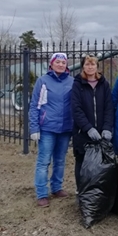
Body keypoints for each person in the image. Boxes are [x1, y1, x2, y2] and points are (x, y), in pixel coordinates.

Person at [29, 52, 74, 208]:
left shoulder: (72, 82)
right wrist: (34, 127)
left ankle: (57, 188)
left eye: (63, 62)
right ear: (52, 64)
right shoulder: (43, 81)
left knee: (60, 160)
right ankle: (42, 193)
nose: (61, 65)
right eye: (58, 62)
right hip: (47, 127)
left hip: (66, 128)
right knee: (44, 161)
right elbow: (35, 105)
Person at [71, 53, 114, 192]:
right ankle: (81, 191)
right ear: (83, 66)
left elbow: (109, 107)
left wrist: (107, 127)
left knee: (99, 164)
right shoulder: (77, 84)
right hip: (82, 133)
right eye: (87, 64)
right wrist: (88, 128)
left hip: (101, 132)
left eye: (93, 64)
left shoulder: (104, 84)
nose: (90, 67)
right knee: (82, 162)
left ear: (97, 66)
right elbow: (76, 109)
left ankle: (97, 193)